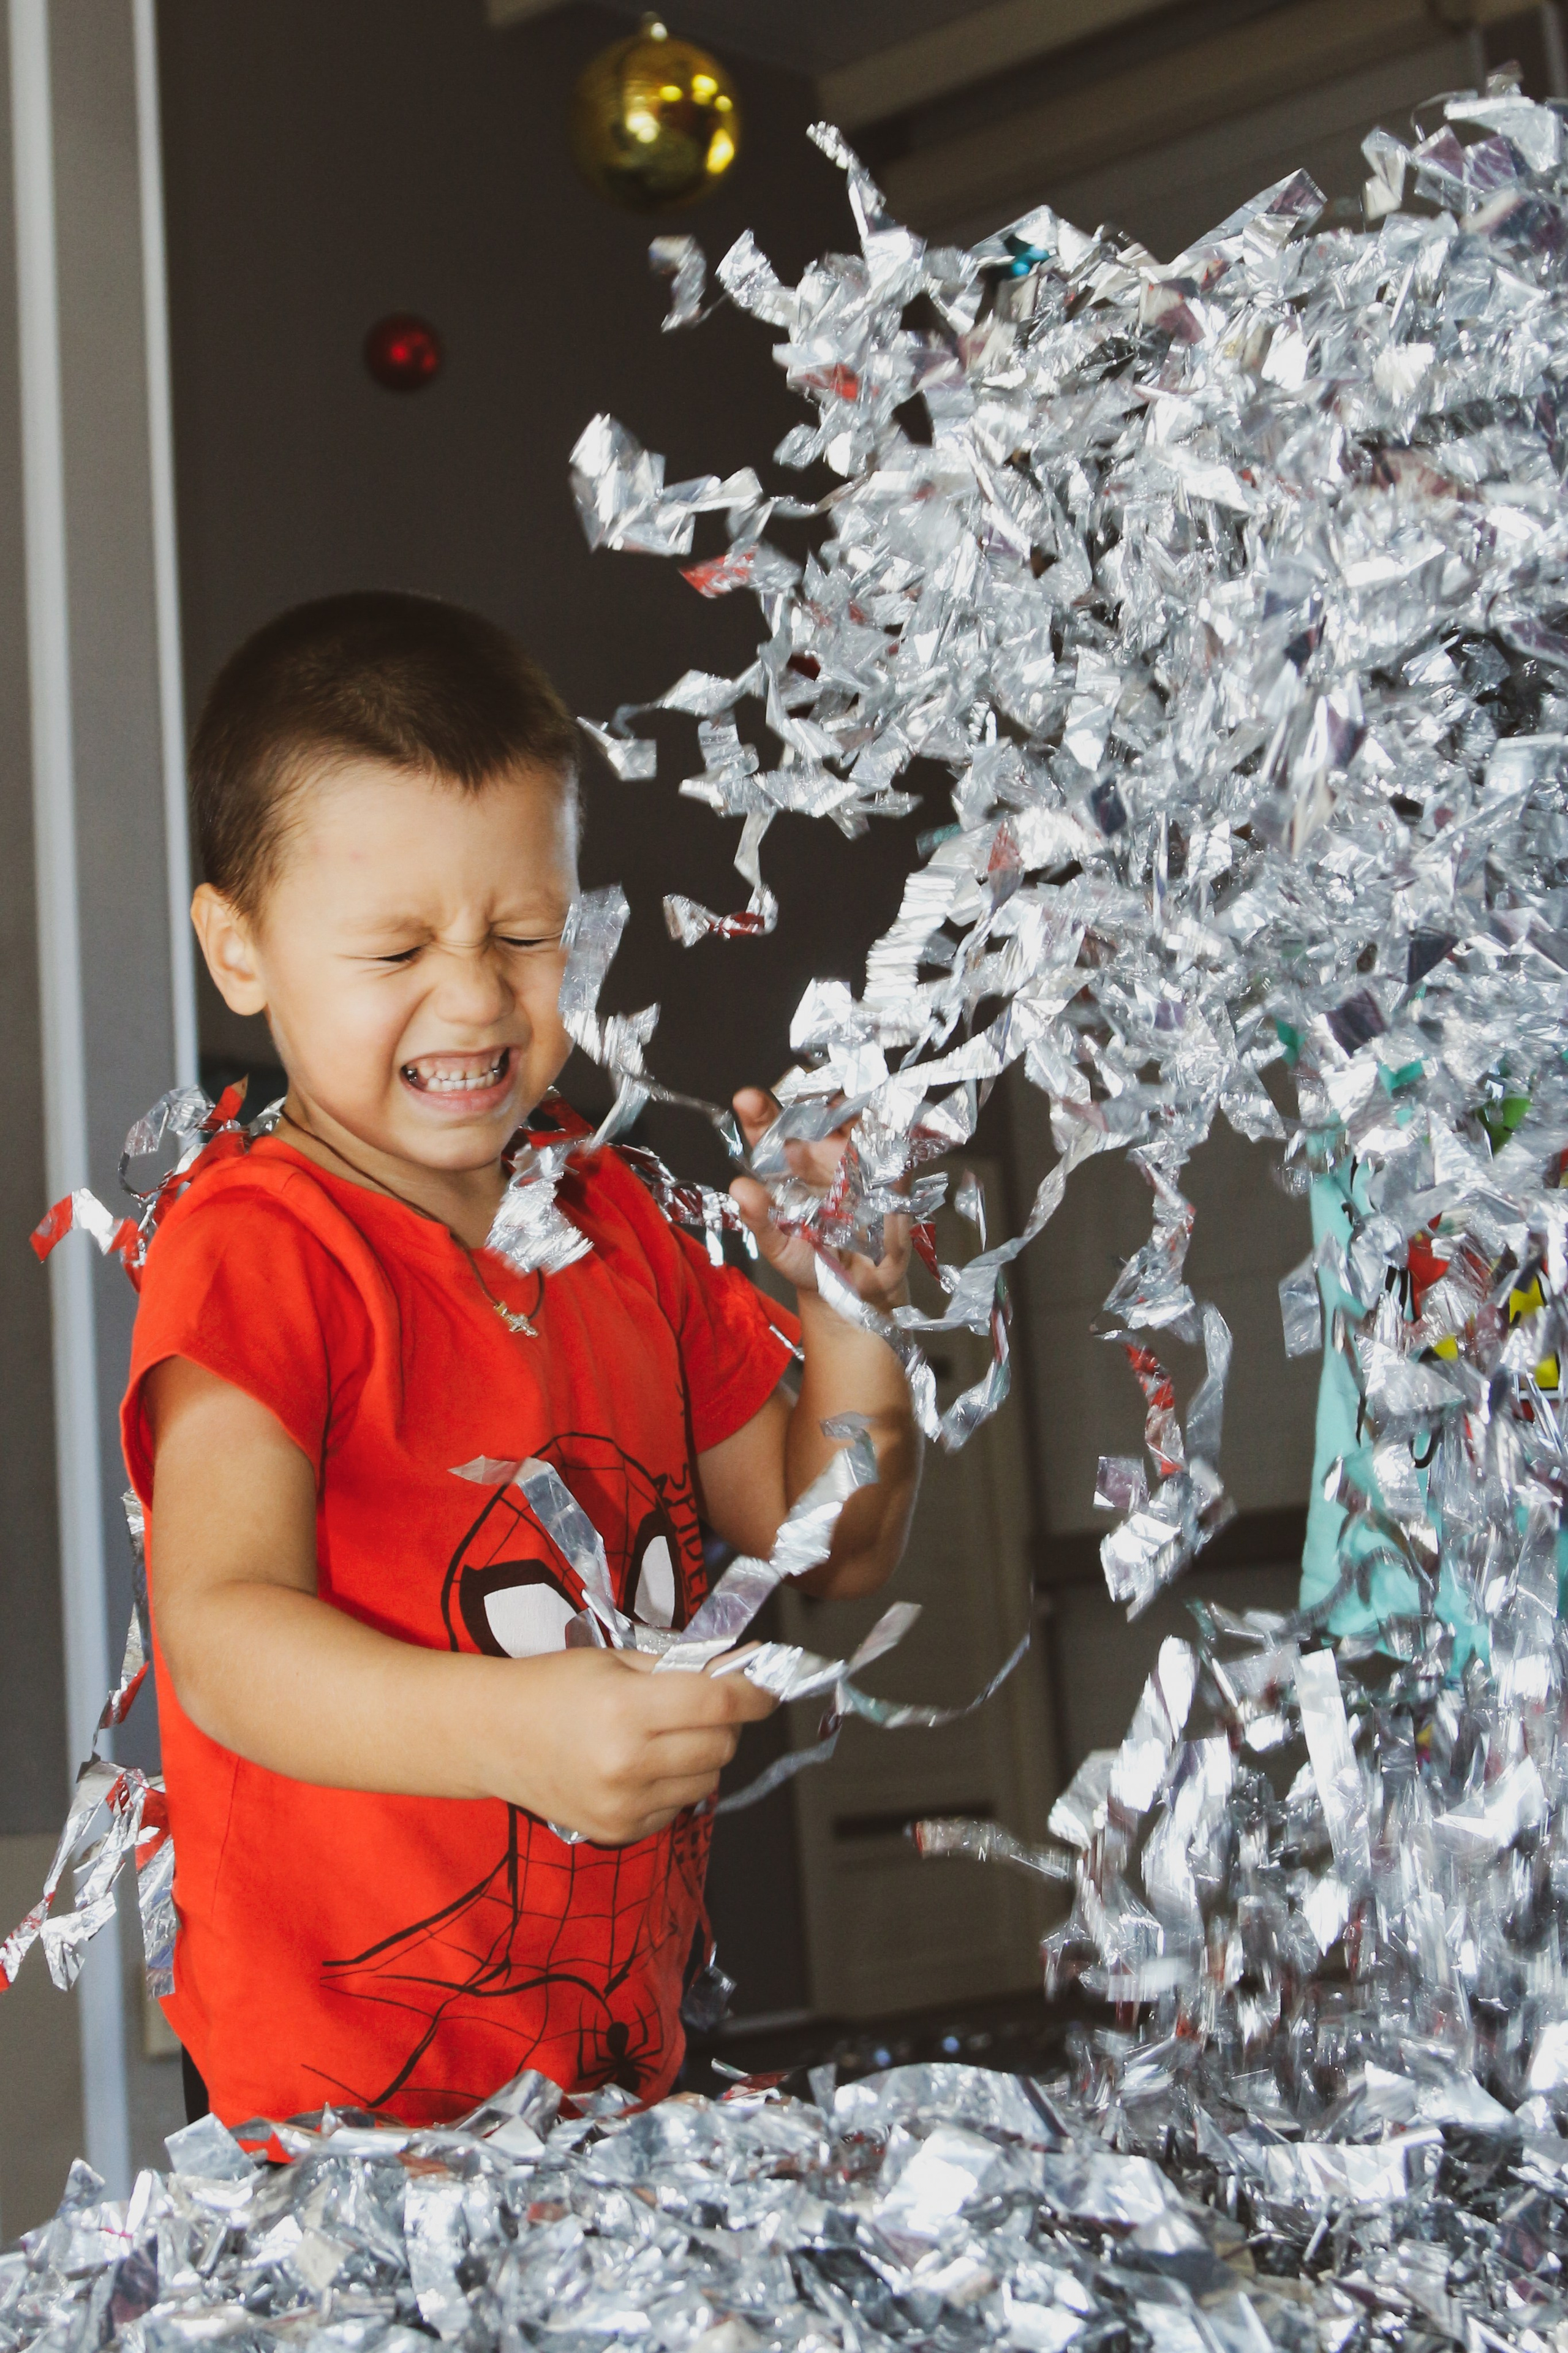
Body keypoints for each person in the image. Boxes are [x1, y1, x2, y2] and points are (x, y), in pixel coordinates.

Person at [123, 591, 919, 2129]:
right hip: (348, 2140)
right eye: (395, 947)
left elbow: (830, 1548)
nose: (476, 994)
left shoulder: (627, 1226)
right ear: (242, 951)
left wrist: (850, 1312)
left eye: (525, 932)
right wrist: (514, 1732)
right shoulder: (261, 1247)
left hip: (616, 2104)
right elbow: (219, 1634)